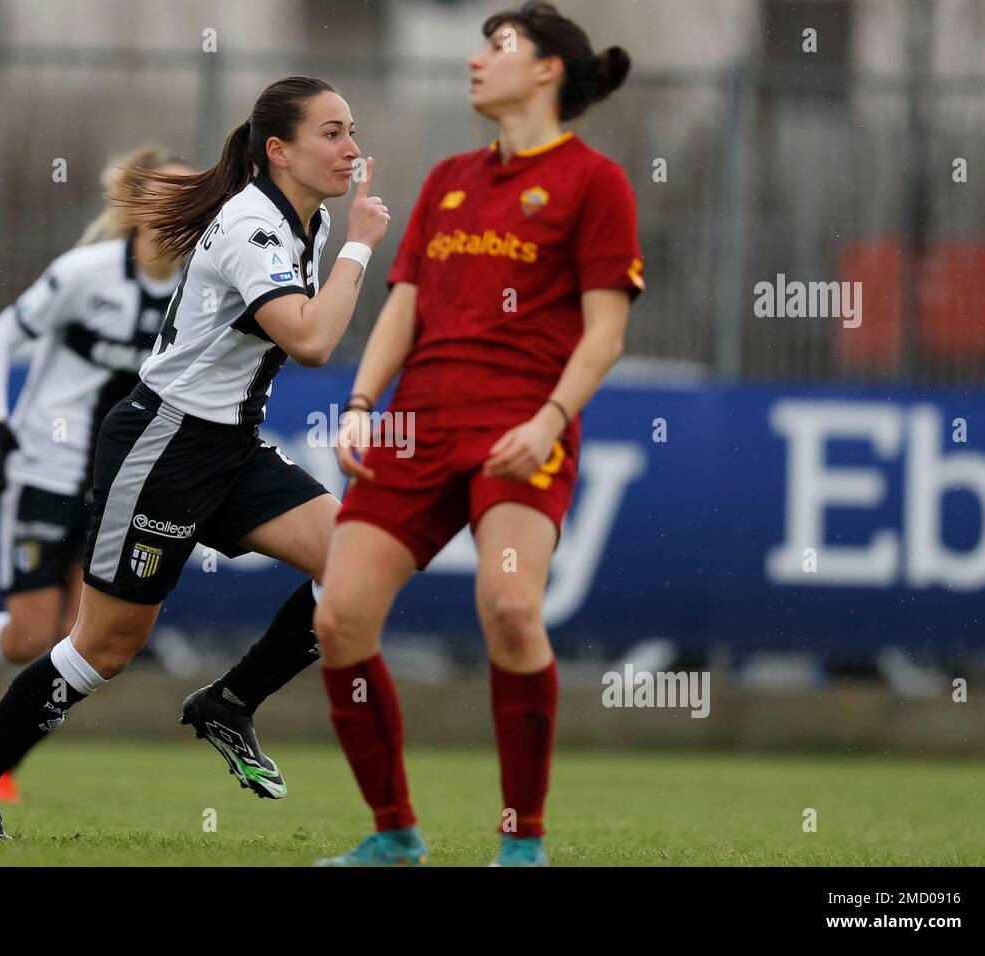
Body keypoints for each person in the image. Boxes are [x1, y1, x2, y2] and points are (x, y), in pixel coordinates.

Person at [0, 75, 390, 840]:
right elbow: (310, 340)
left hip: (228, 446)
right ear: (279, 150)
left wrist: (346, 244)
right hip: (163, 445)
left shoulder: (304, 220)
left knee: (355, 566)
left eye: (352, 130)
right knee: (106, 645)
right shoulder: (255, 228)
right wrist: (362, 248)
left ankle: (230, 702)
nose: (351, 148)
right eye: (332, 133)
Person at [313, 1, 643, 866]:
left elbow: (605, 334)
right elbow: (406, 306)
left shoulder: (594, 182)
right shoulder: (450, 178)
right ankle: (393, 833)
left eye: (498, 47)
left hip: (522, 427)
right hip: (419, 425)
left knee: (506, 606)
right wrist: (360, 405)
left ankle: (522, 842)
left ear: (547, 72)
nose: (475, 61)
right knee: (340, 620)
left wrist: (550, 420)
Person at [0, 145, 191, 800]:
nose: (186, 212)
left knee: (79, 642)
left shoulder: (196, 291)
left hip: (117, 481)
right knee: (31, 634)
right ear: (139, 205)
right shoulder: (85, 274)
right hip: (45, 464)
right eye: (172, 196)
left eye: (194, 199)